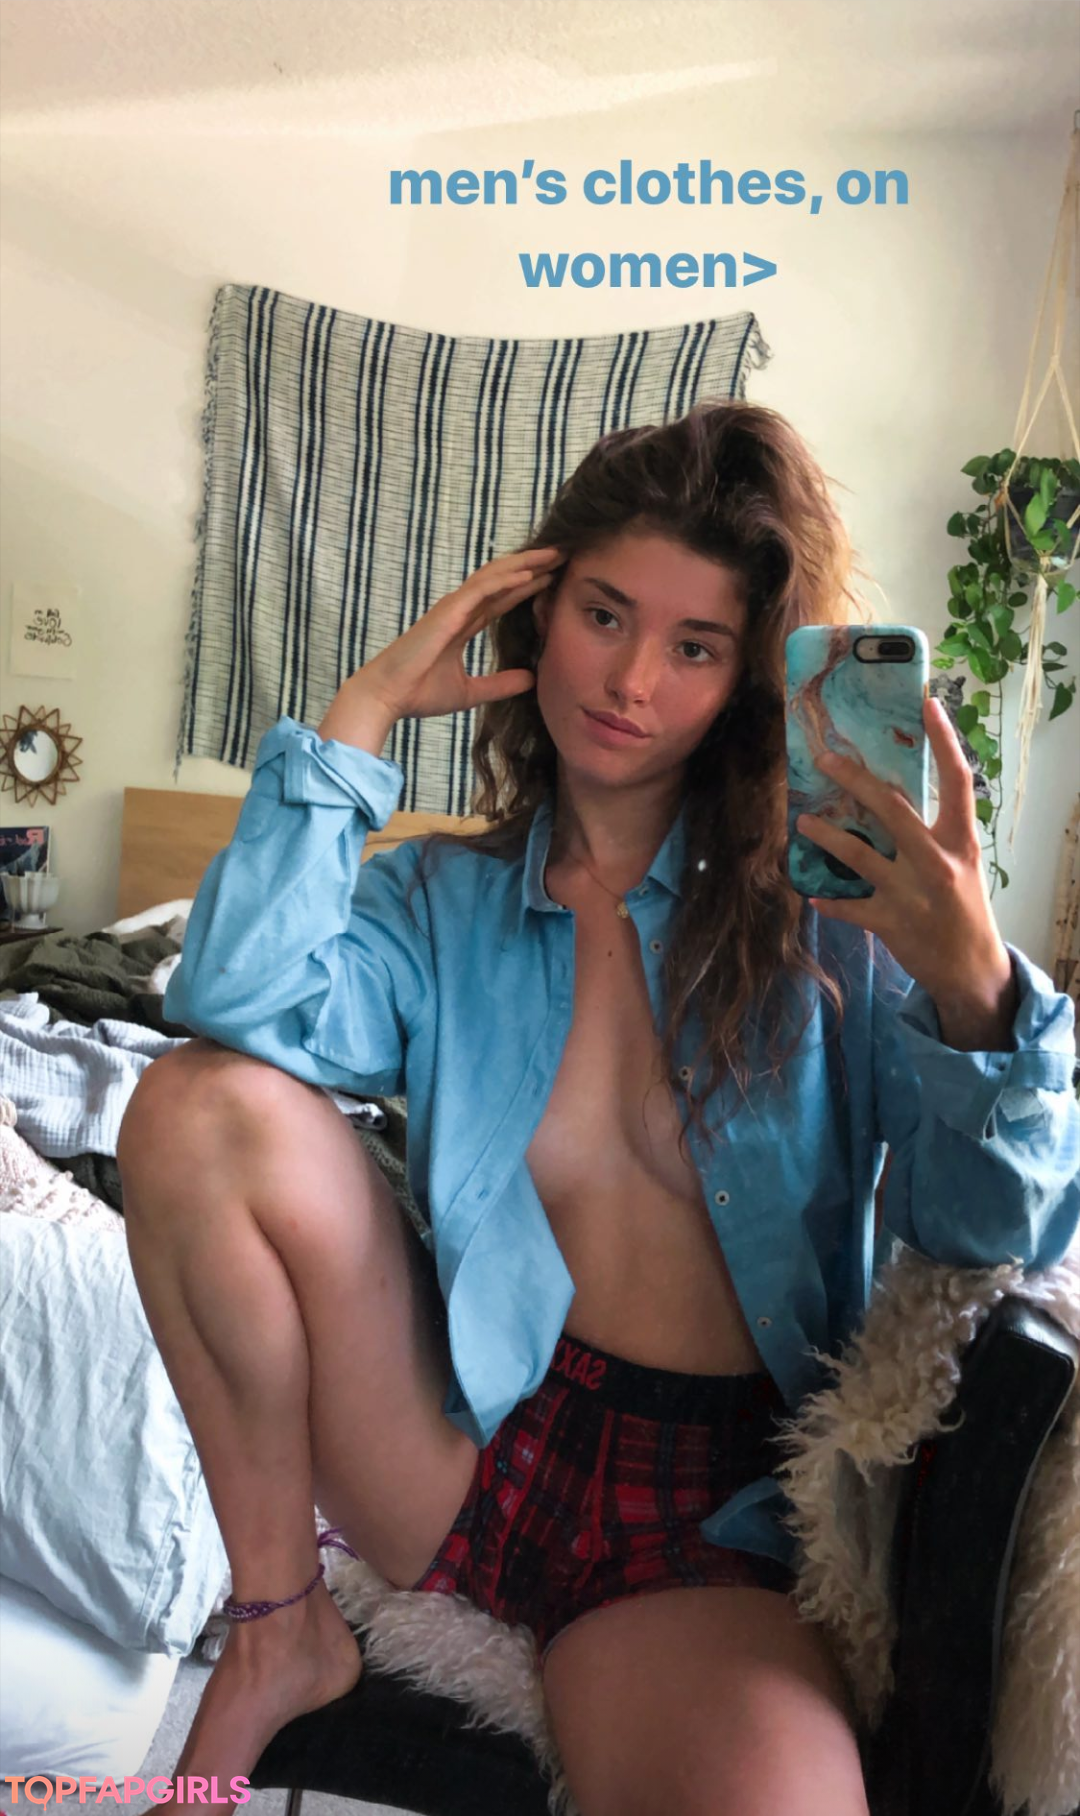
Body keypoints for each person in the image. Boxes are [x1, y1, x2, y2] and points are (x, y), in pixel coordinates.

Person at [117, 399, 1080, 1815]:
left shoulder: (832, 928)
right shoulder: (438, 901)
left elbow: (996, 1235)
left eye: (694, 646)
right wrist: (356, 722)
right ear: (540, 612)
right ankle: (279, 1626)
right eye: (605, 614)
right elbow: (234, 1001)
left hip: (713, 1514)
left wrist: (975, 990)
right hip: (470, 1441)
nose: (629, 680)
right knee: (191, 1108)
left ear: (745, 681)